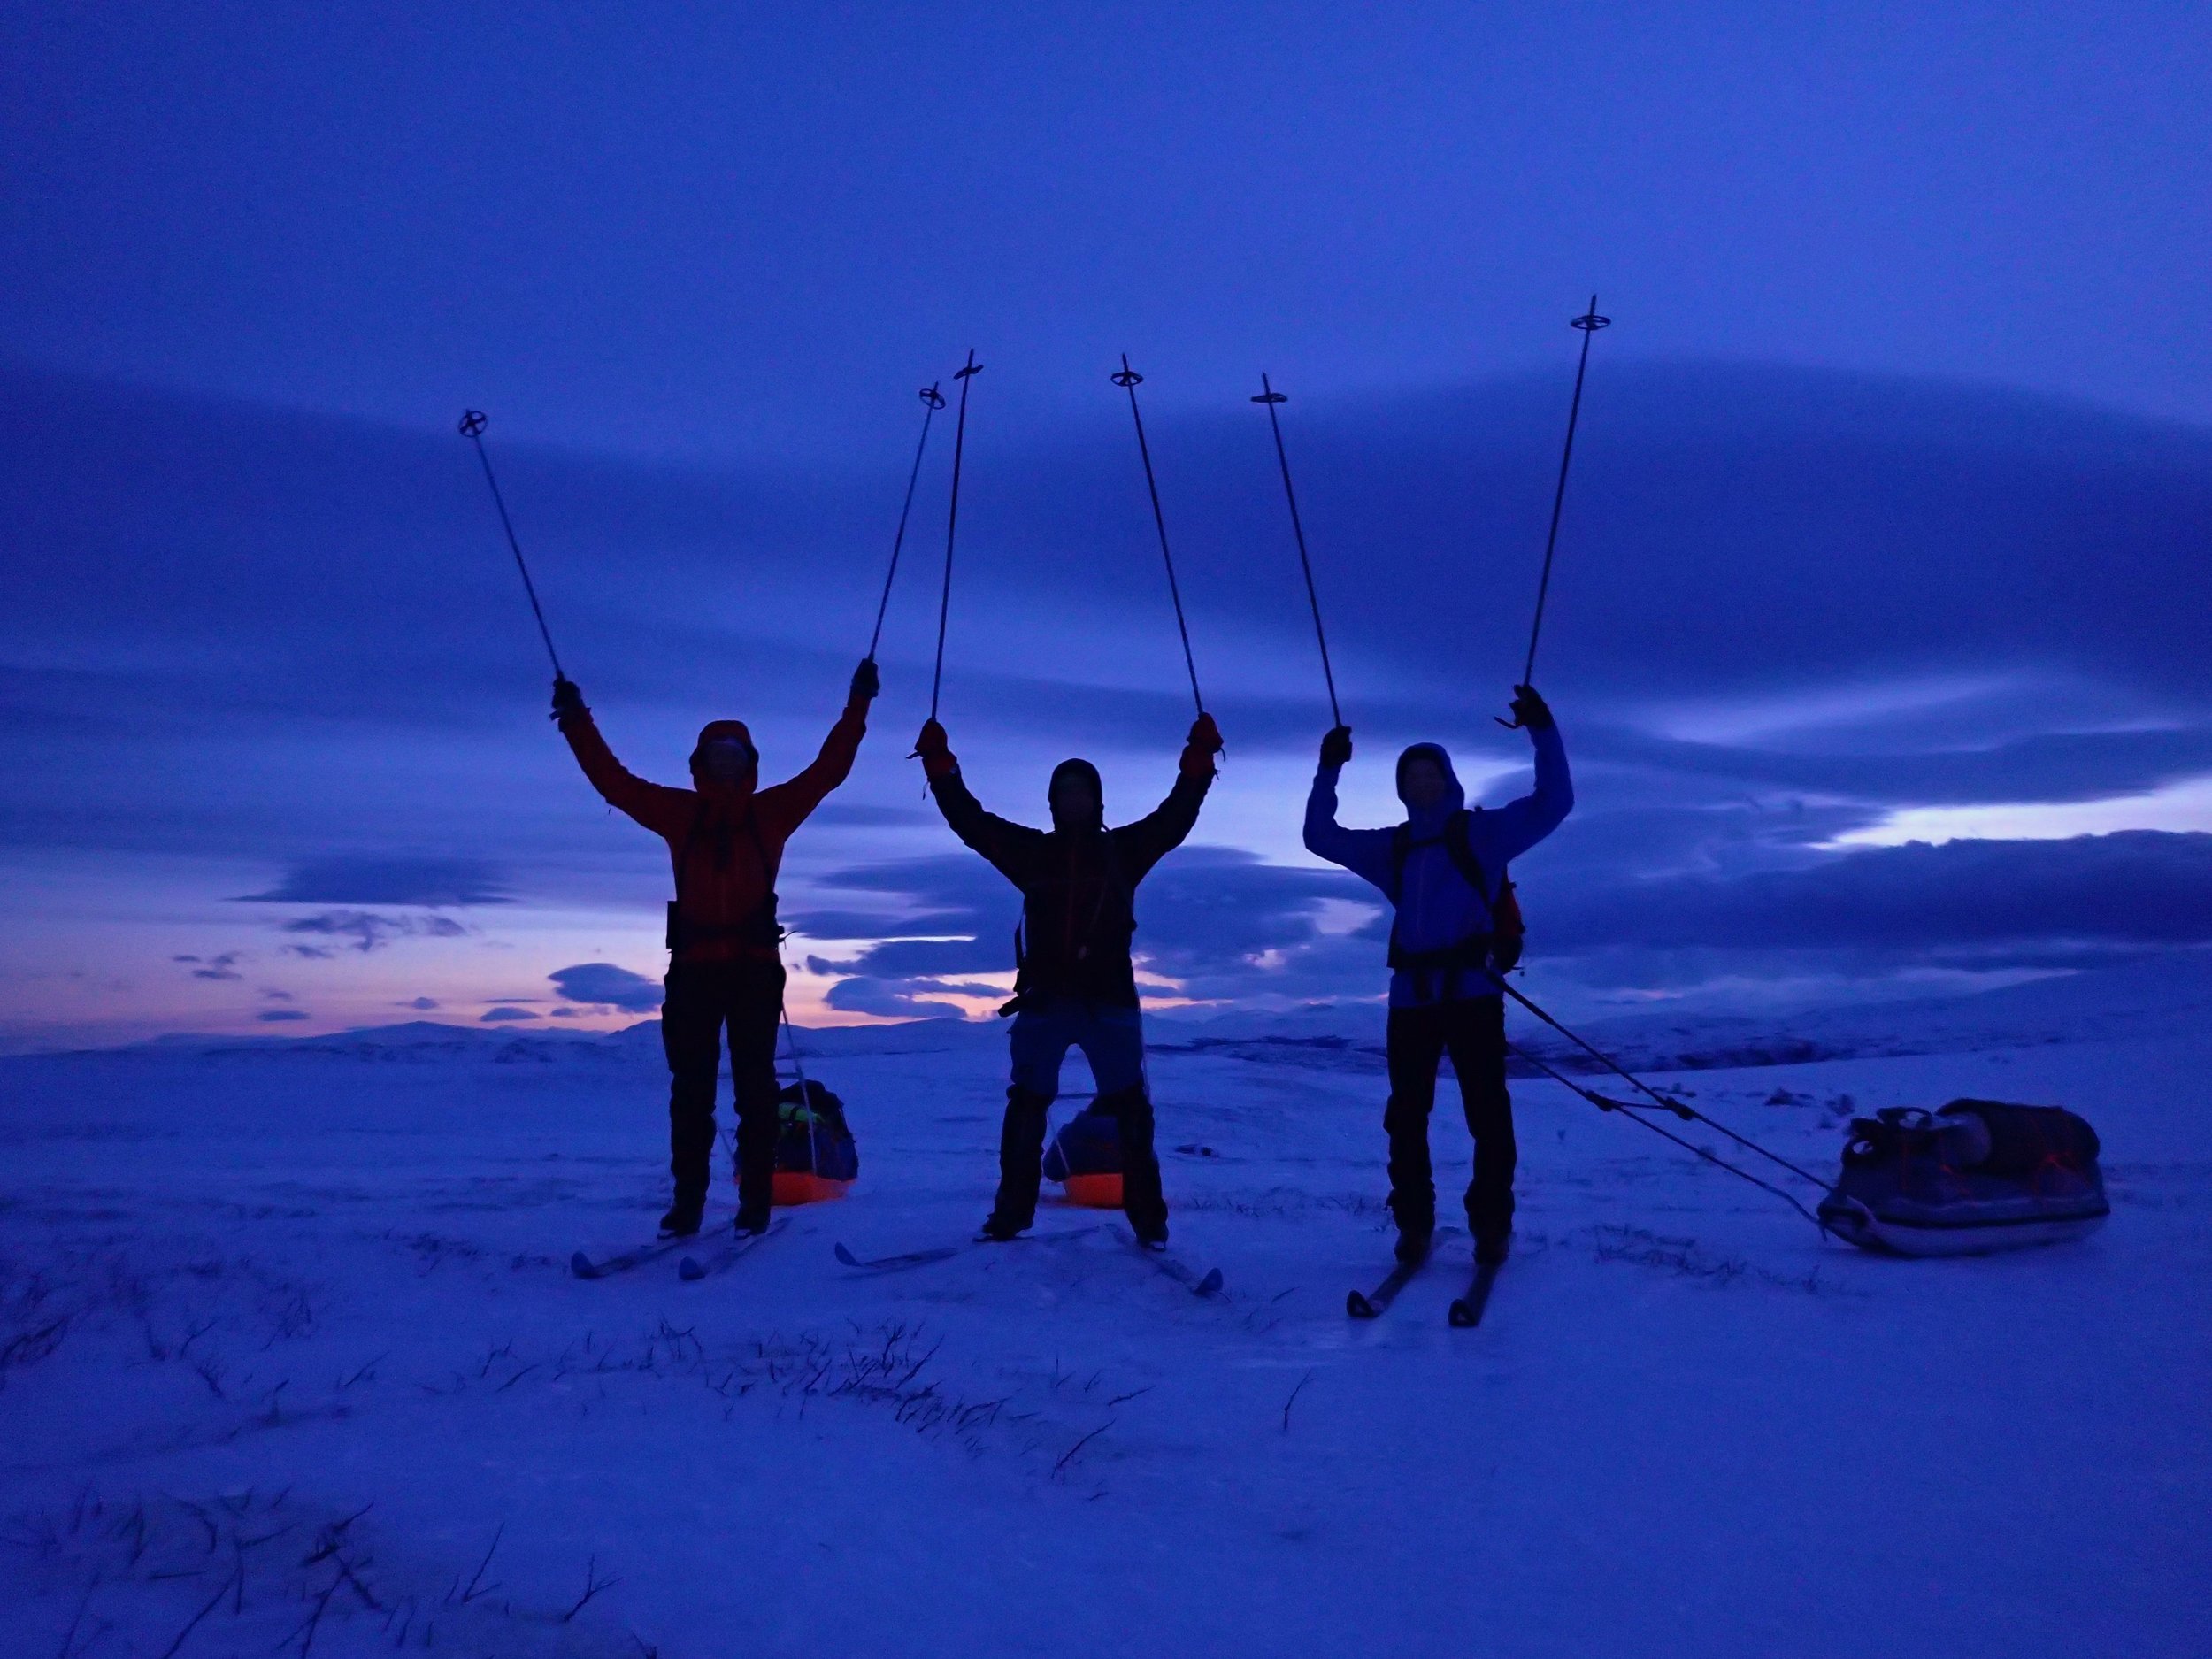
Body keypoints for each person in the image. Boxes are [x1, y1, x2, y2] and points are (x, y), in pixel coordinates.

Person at [551, 660, 878, 1238]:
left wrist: (858, 706)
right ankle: (689, 1204)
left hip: (753, 973)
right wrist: (577, 720)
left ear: (750, 766)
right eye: (716, 754)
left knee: (755, 1092)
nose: (726, 763)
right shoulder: (680, 813)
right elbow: (613, 781)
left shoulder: (772, 812)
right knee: (691, 1094)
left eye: (736, 754)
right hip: (695, 974)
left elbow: (829, 769)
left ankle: (755, 1203)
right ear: (701, 765)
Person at [912, 711, 1223, 1246]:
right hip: (1047, 1002)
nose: (1073, 799)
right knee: (1029, 1105)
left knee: (1129, 1110)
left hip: (1107, 1003)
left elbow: (1177, 816)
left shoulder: (1122, 851)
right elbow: (972, 822)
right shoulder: (1035, 853)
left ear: (1096, 800)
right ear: (1053, 802)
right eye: (1065, 791)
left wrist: (1198, 759)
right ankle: (1010, 1215)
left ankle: (1149, 1221)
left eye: (1081, 791)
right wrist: (942, 770)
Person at [1302, 686, 1571, 1267]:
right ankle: (1415, 1225)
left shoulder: (1482, 832)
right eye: (1412, 778)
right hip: (1411, 999)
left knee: (1487, 1112)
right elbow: (1320, 837)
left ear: (1448, 779)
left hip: (1473, 991)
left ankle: (1492, 1226)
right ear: (1402, 788)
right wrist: (1328, 770)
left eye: (1431, 774)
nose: (1422, 784)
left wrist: (1541, 729)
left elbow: (1553, 801)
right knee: (1406, 1116)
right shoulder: (1395, 847)